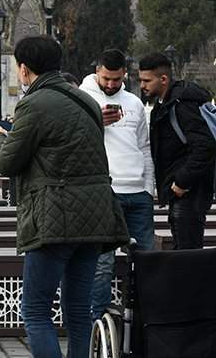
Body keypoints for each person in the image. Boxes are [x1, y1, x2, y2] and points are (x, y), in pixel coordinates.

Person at [0, 35, 127, 358]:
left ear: (24, 69)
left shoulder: (34, 103)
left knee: (36, 310)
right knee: (78, 310)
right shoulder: (86, 101)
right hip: (94, 217)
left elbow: (8, 162)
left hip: (54, 219)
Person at [81, 49, 156, 320]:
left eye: (116, 79)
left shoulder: (134, 102)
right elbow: (72, 141)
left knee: (146, 259)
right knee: (103, 262)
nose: (111, 84)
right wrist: (95, 121)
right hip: (105, 191)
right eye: (106, 79)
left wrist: (148, 187)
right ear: (97, 72)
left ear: (125, 74)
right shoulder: (83, 98)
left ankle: (145, 318)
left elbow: (144, 147)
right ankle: (97, 321)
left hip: (138, 192)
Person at [138, 52, 216, 250]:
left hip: (189, 191)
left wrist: (181, 182)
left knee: (188, 254)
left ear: (163, 79)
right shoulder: (167, 104)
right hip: (182, 191)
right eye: (141, 80)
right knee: (184, 251)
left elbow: (205, 146)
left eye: (147, 80)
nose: (142, 86)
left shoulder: (181, 105)